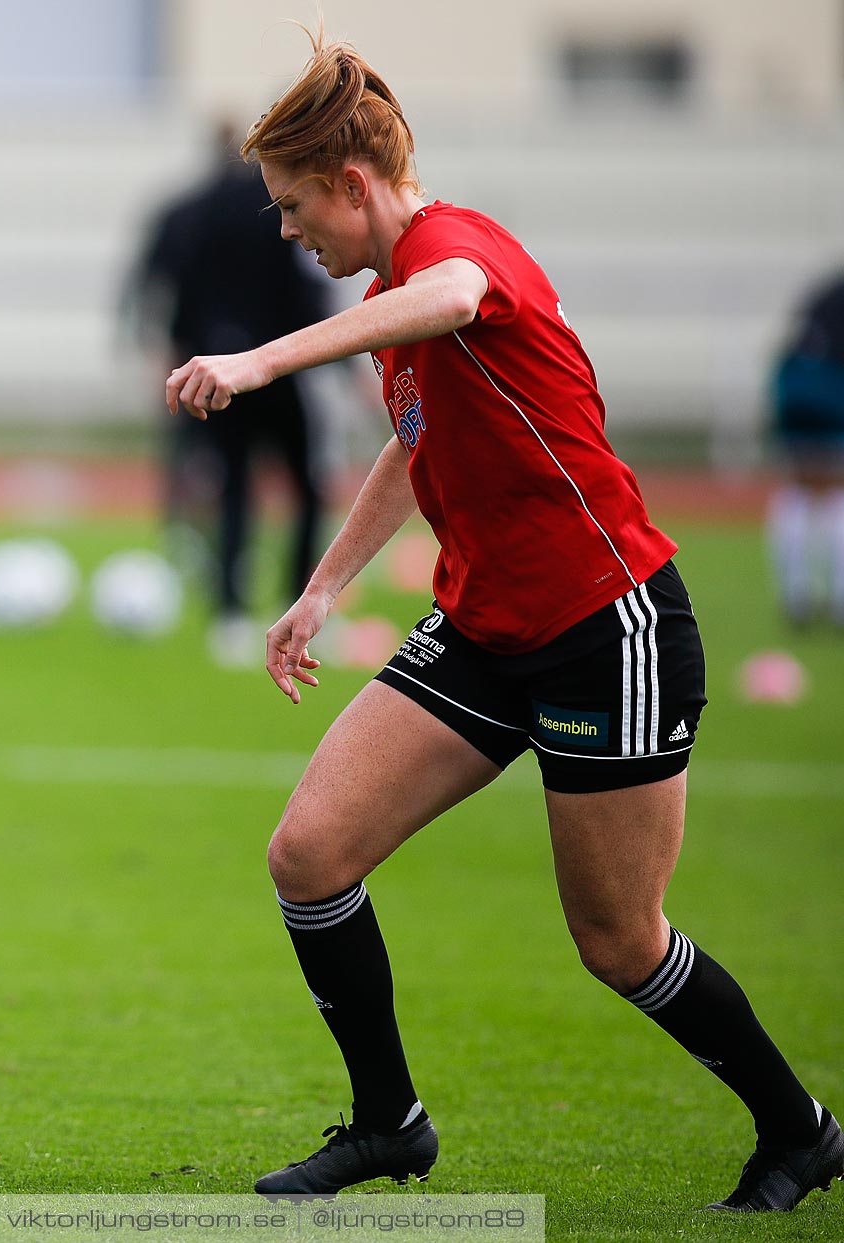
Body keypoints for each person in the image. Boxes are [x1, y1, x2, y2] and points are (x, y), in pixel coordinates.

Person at [168, 30, 840, 1213]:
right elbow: (414, 436)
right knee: (309, 856)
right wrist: (323, 588)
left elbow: (455, 297)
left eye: (291, 207)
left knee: (620, 942)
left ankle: (802, 1130)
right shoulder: (396, 294)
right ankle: (391, 1124)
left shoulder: (447, 248)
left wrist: (266, 360)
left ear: (354, 187)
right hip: (484, 627)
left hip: (605, 626)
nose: (287, 231)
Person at [132, 120, 329, 668]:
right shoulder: (278, 211)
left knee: (233, 490)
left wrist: (169, 356)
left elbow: (164, 288)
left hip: (213, 370)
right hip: (280, 365)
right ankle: (303, 604)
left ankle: (231, 613)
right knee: (307, 489)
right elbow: (302, 285)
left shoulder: (188, 209)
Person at [766, 270, 844, 627]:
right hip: (830, 390)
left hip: (794, 387)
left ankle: (796, 593)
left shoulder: (824, 290)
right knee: (834, 493)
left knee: (799, 489)